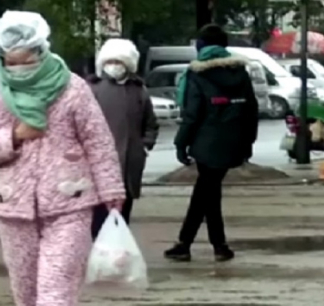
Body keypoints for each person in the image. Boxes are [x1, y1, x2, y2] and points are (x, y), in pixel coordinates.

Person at [0, 11, 125, 306]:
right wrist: (13, 137)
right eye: (10, 62)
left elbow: (98, 142)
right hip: (13, 206)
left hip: (70, 203)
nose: (19, 69)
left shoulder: (72, 89)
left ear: (40, 51)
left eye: (26, 60)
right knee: (27, 288)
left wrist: (112, 188)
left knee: (58, 280)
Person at [164, 24, 258, 263]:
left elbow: (192, 113)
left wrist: (180, 143)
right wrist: (247, 142)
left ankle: (191, 244)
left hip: (206, 143)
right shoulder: (241, 73)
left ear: (201, 46)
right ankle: (211, 245)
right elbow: (251, 110)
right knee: (208, 192)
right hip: (233, 142)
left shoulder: (197, 75)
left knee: (205, 193)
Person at [88, 38, 159, 238]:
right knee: (99, 215)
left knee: (123, 213)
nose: (115, 66)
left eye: (119, 62)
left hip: (130, 162)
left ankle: (118, 253)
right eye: (111, 62)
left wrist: (144, 146)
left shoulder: (138, 90)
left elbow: (150, 123)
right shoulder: (92, 89)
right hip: (99, 163)